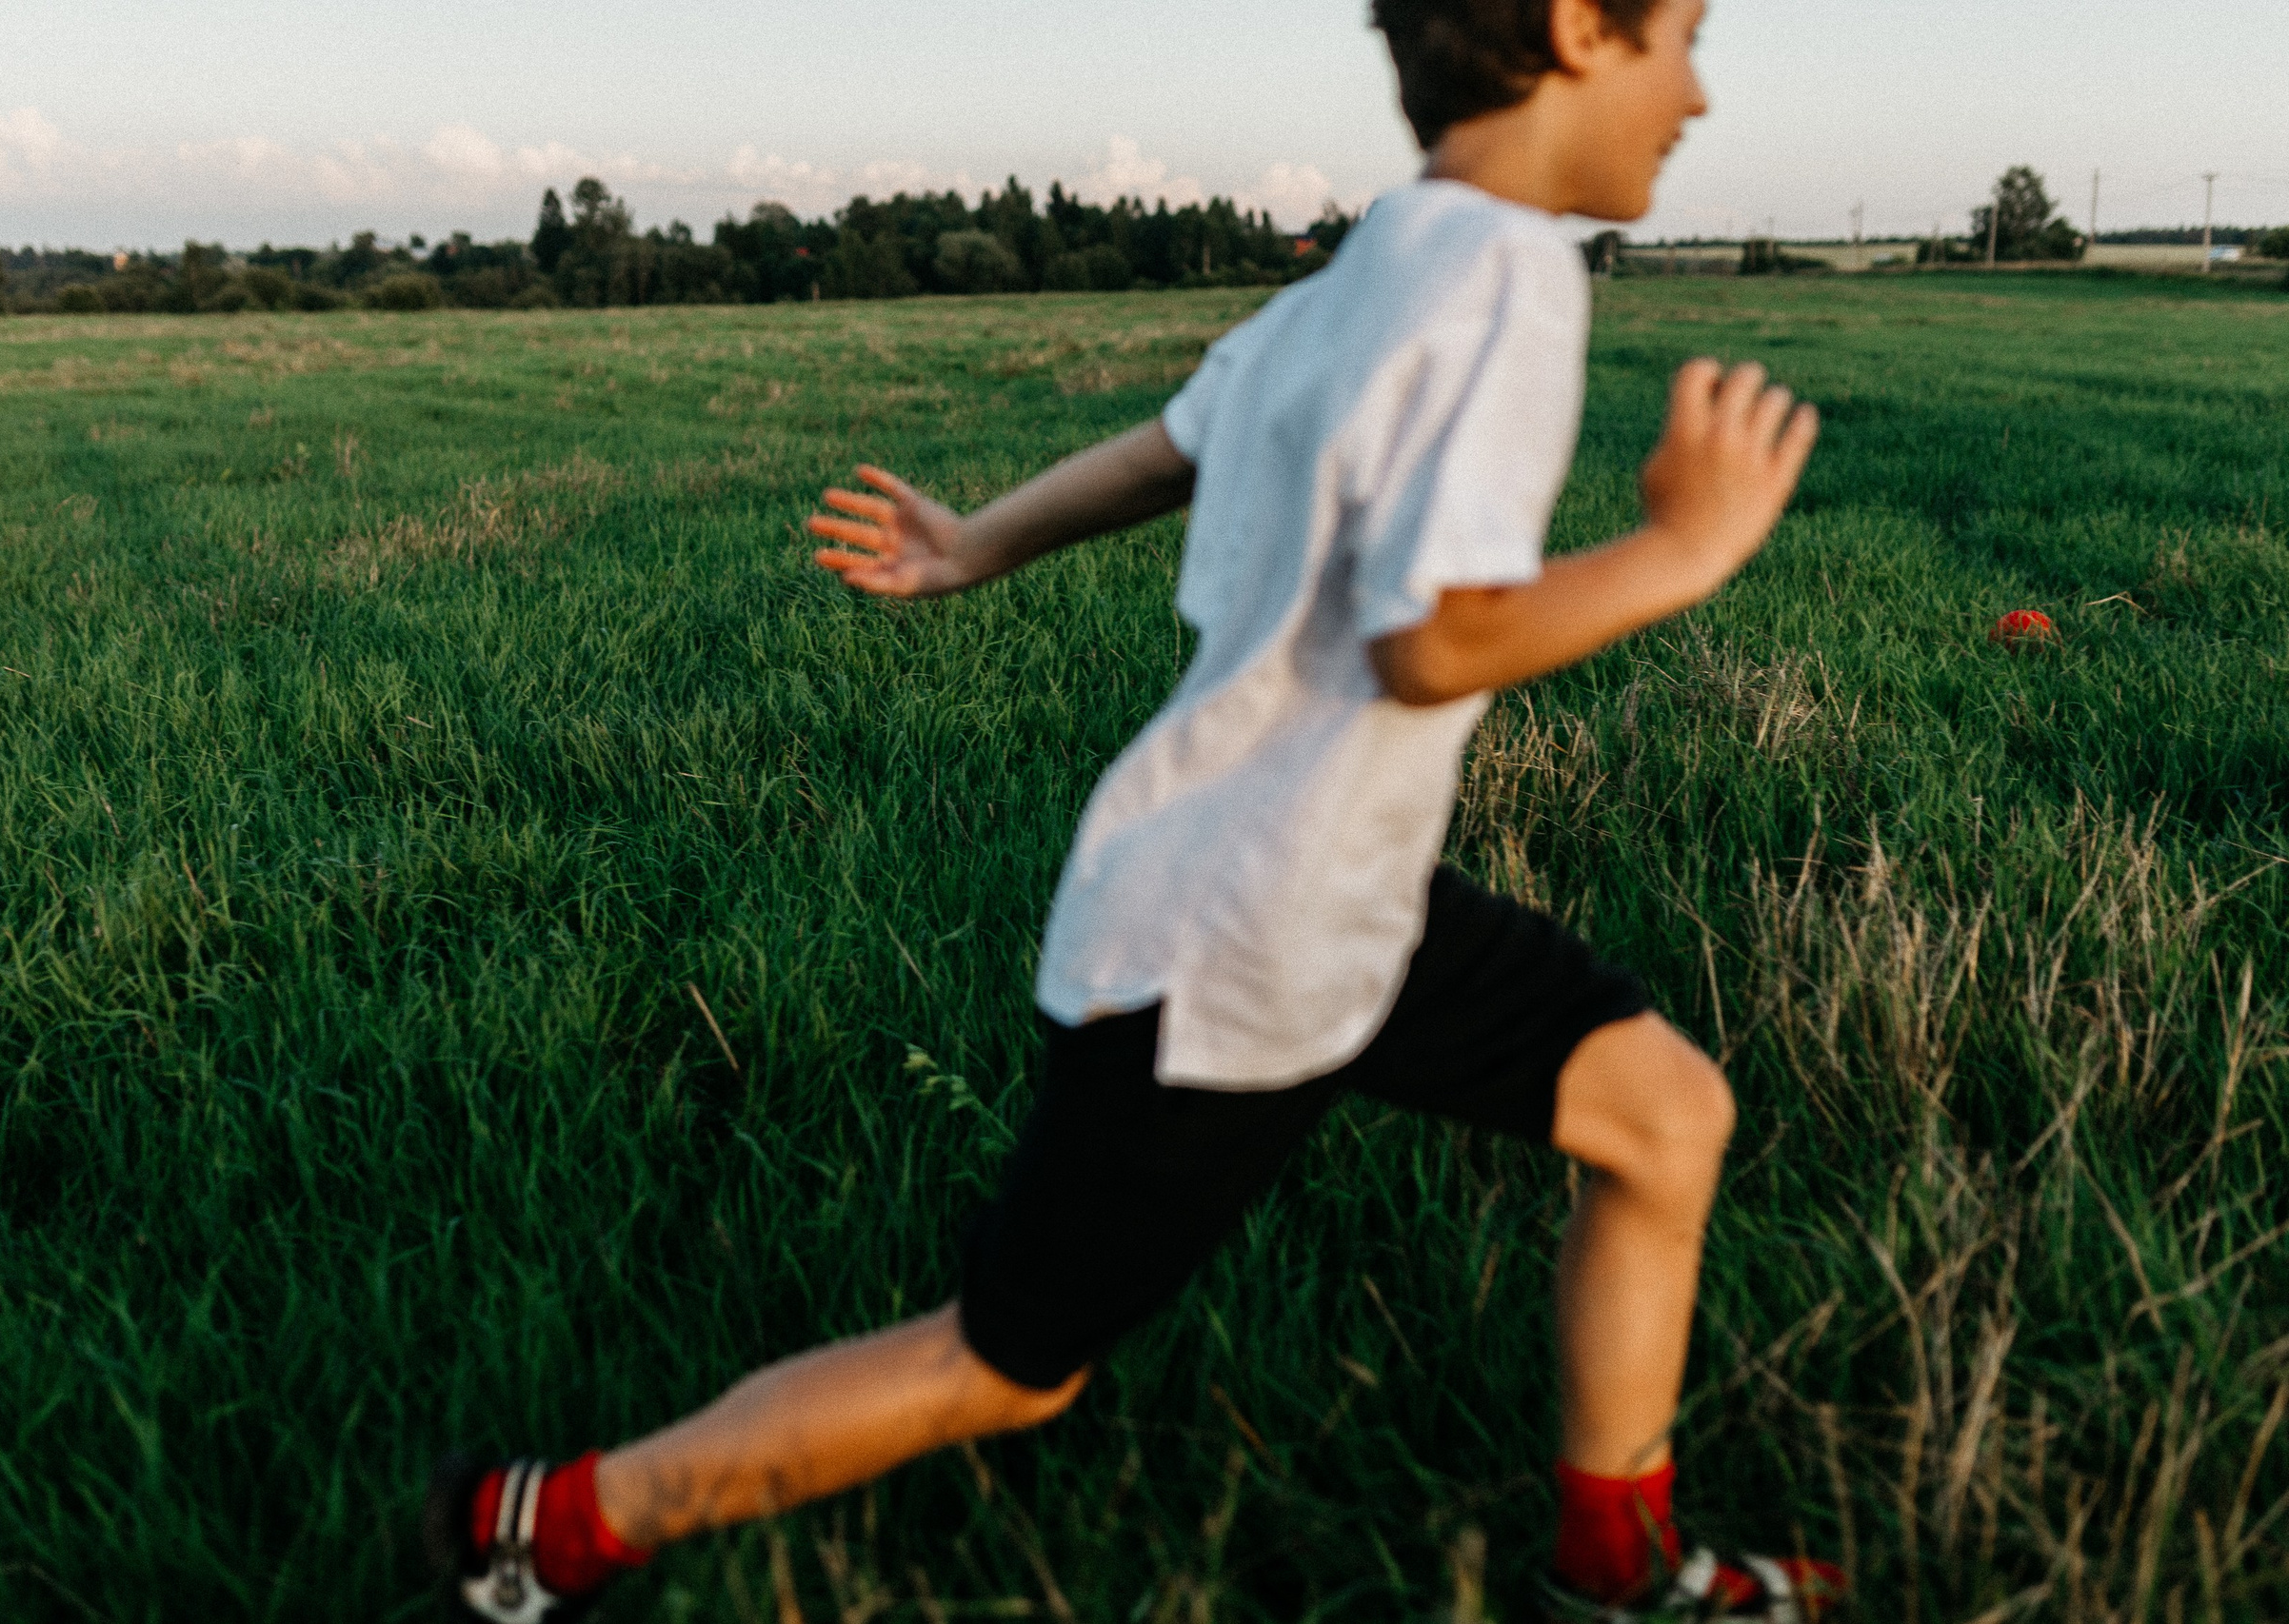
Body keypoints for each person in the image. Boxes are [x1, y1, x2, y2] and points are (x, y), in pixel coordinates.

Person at [427, 0, 1841, 1617]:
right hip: (1230, 949)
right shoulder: (1506, 273)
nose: (1702, 93)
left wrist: (978, 543)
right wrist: (1685, 550)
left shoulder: (1378, 262)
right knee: (1008, 1364)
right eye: (1682, 40)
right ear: (1583, 29)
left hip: (1337, 900)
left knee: (1664, 1116)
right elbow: (1432, 636)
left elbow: (1173, 445)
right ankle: (550, 1522)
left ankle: (1620, 1565)